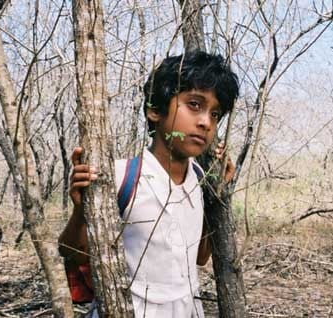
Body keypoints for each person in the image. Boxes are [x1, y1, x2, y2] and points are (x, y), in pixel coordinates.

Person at [58, 50, 239, 318]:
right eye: (194, 105)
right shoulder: (120, 176)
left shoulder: (200, 179)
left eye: (215, 114)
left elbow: (199, 258)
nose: (205, 123)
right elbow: (73, 254)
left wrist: (218, 195)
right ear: (155, 110)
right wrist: (80, 210)